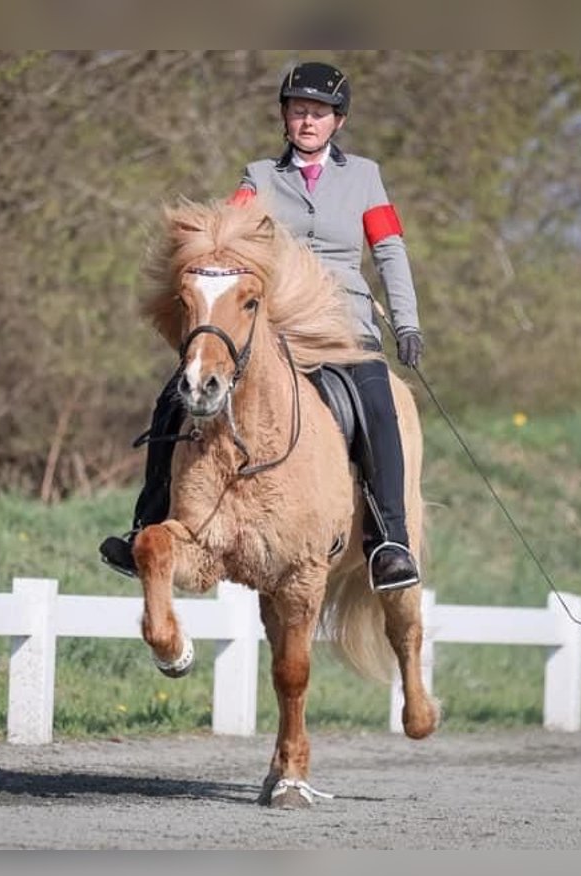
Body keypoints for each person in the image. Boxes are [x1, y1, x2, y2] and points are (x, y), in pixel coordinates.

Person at [100, 60, 424, 592]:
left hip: (343, 326)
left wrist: (406, 323)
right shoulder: (260, 178)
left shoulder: (365, 177)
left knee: (378, 404)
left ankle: (390, 540)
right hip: (279, 321)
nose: (308, 121)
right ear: (285, 116)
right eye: (299, 111)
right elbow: (227, 238)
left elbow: (388, 250)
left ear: (338, 121)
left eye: (319, 113)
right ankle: (146, 520)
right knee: (173, 395)